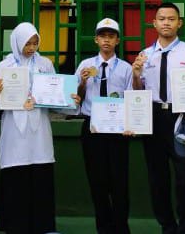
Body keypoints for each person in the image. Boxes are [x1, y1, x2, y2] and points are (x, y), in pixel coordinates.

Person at [0, 22, 80, 234]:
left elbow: (55, 97)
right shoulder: (4, 66)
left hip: (39, 129)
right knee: (16, 174)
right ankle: (15, 226)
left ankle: (43, 226)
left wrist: (70, 100)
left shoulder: (45, 64)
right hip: (14, 129)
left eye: (35, 43)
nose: (31, 48)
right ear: (17, 42)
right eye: (27, 43)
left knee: (40, 173)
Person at [132, 2, 185, 234]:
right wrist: (136, 74)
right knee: (157, 177)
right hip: (153, 117)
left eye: (171, 19)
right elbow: (138, 92)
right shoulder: (145, 55)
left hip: (181, 117)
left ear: (179, 23)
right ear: (154, 23)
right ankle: (167, 226)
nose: (166, 23)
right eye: (161, 19)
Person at [75, 18, 133, 234]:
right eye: (102, 36)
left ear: (117, 40)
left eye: (111, 36)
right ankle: (104, 228)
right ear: (96, 40)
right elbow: (75, 98)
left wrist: (129, 123)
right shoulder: (85, 66)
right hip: (93, 128)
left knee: (119, 181)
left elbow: (131, 98)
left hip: (118, 129)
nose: (106, 40)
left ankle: (121, 227)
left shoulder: (126, 68)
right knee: (97, 181)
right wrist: (82, 83)